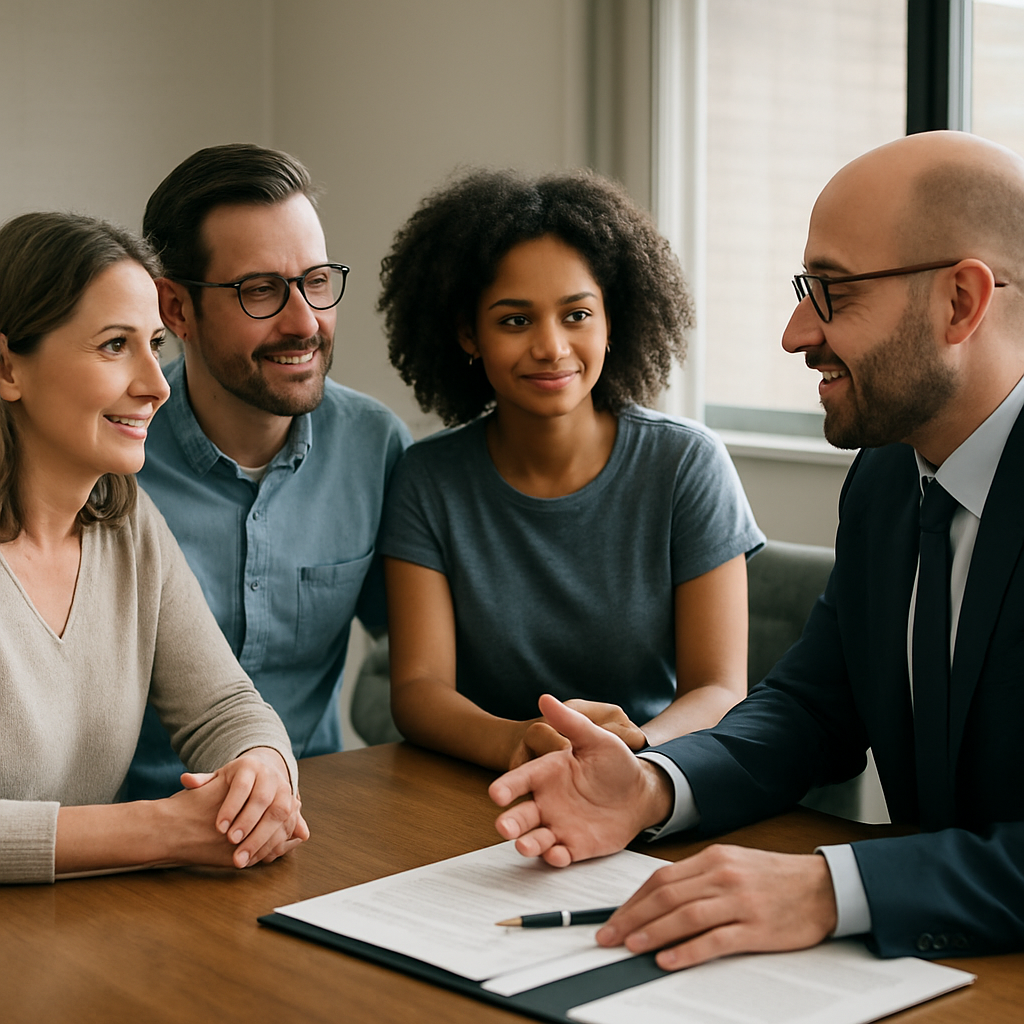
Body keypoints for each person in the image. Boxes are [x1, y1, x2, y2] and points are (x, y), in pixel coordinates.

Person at [489, 130, 1024, 964]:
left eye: (831, 292)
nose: (794, 332)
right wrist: (653, 786)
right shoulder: (887, 478)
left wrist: (827, 887)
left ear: (962, 302)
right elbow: (814, 707)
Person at [377, 169, 764, 771]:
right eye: (514, 320)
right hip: (479, 784)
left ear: (614, 321)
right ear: (467, 334)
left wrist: (633, 750)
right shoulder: (428, 479)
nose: (551, 347)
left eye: (577, 315)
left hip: (652, 772)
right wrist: (518, 741)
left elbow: (718, 689)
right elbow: (419, 691)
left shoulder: (687, 464)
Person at [0, 212, 307, 884]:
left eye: (155, 344)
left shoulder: (127, 524)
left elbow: (226, 706)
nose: (157, 384)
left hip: (79, 931)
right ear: (7, 367)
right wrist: (158, 829)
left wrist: (260, 773)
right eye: (115, 345)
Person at [126, 144, 411, 798]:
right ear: (176, 310)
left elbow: (421, 666)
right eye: (260, 291)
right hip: (130, 834)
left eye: (315, 281)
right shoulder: (112, 466)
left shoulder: (374, 446)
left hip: (312, 823)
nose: (304, 322)